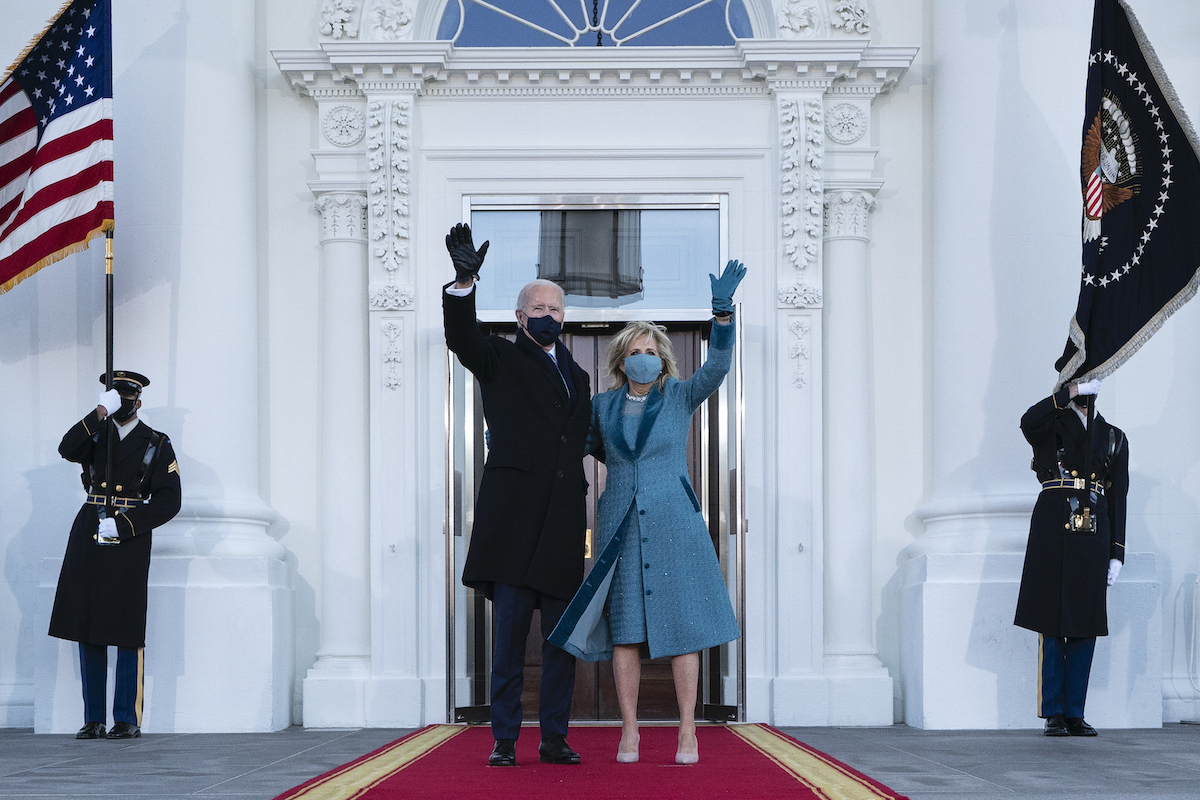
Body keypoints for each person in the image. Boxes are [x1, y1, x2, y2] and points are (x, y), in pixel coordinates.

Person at [549, 260, 746, 765]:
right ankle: (630, 732)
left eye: (650, 351)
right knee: (626, 631)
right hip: (619, 525)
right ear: (621, 361)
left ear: (663, 359)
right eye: (634, 352)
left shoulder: (679, 395)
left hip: (675, 524)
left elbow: (718, 368)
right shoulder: (602, 405)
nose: (643, 358)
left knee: (683, 629)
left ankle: (686, 731)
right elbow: (586, 446)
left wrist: (721, 316)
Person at [442, 223, 592, 767]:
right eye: (538, 307)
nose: (548, 313)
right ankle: (505, 739)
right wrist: (463, 283)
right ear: (520, 316)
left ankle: (554, 736)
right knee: (507, 645)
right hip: (511, 527)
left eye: (556, 307)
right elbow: (461, 337)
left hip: (559, 530)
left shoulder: (578, 374)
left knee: (560, 644)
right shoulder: (500, 358)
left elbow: (584, 439)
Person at [49, 371, 182, 739]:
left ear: (138, 402)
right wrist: (97, 414)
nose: (122, 405)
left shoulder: (156, 442)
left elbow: (170, 501)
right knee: (87, 622)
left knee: (125, 624)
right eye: (115, 399)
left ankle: (126, 717)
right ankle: (94, 718)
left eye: (127, 400)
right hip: (91, 527)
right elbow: (66, 448)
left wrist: (125, 526)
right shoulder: (96, 434)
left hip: (128, 533)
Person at [1014, 378, 1127, 737]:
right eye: (1078, 384)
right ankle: (1053, 713)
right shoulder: (1051, 423)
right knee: (1051, 619)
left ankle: (1075, 712)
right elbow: (1027, 420)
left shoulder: (1113, 436)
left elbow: (1119, 496)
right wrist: (1069, 395)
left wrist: (1117, 553)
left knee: (1085, 621)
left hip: (1093, 528)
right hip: (1052, 523)